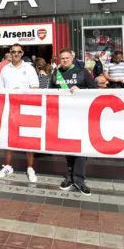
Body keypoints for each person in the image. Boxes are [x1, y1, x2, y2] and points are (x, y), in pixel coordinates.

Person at [49, 49, 95, 196]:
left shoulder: (82, 72)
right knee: (67, 147)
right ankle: (69, 177)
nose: (64, 60)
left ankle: (80, 180)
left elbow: (95, 90)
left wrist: (81, 89)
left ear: (72, 58)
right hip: (64, 116)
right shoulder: (56, 74)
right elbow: (49, 93)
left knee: (81, 149)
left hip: (81, 115)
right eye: (62, 58)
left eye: (67, 58)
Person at [0, 44, 40, 182]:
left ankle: (30, 167)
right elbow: (1, 90)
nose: (16, 54)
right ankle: (8, 165)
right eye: (13, 52)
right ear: (10, 53)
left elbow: (35, 88)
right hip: (10, 108)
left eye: (18, 52)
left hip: (26, 108)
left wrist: (21, 94)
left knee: (27, 139)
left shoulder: (29, 68)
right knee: (8, 138)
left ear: (22, 53)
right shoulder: (4, 70)